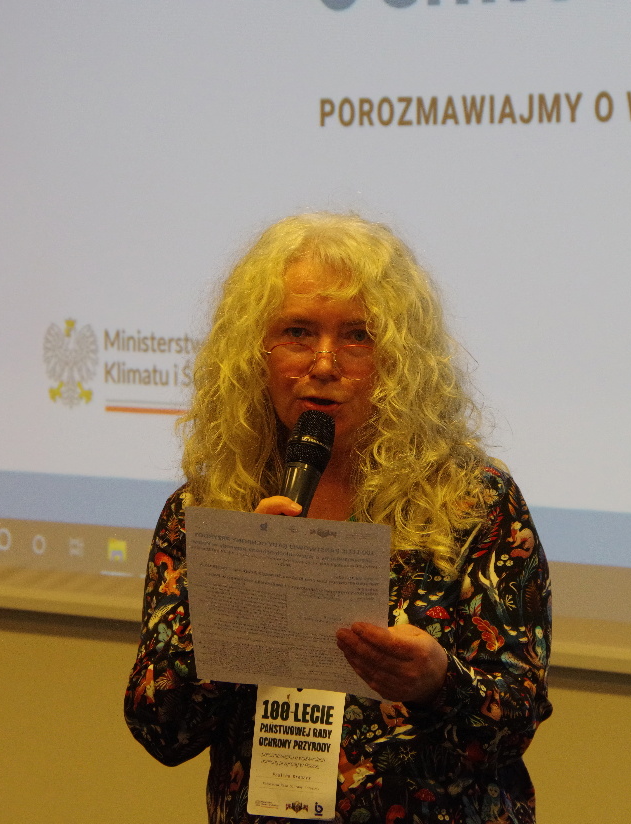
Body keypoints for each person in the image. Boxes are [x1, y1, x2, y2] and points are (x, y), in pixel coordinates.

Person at [125, 213, 552, 823]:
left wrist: (439, 683)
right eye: (298, 332)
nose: (325, 364)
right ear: (254, 353)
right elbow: (160, 730)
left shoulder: (473, 503)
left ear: (399, 360)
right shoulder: (208, 509)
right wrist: (241, 596)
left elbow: (515, 722)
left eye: (357, 336)